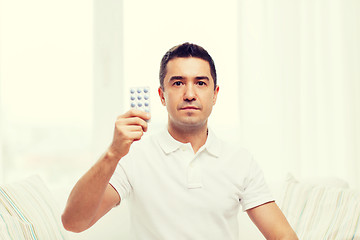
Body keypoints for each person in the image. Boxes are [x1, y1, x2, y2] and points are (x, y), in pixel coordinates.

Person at [62, 42, 298, 239]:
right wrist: (113, 153)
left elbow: (284, 236)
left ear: (215, 94)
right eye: (178, 83)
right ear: (162, 96)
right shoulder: (133, 156)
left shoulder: (240, 161)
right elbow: (74, 222)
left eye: (200, 83)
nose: (189, 94)